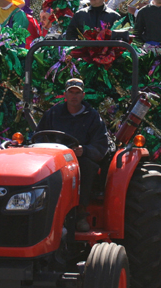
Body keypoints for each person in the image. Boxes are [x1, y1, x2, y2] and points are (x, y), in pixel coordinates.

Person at [36, 78, 110, 232]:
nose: (74, 96)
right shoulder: (53, 113)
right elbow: (39, 135)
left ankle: (80, 212)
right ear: (65, 94)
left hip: (80, 159)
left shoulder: (92, 117)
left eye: (77, 93)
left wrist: (85, 150)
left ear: (83, 95)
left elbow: (101, 144)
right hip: (54, 158)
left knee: (87, 167)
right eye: (71, 92)